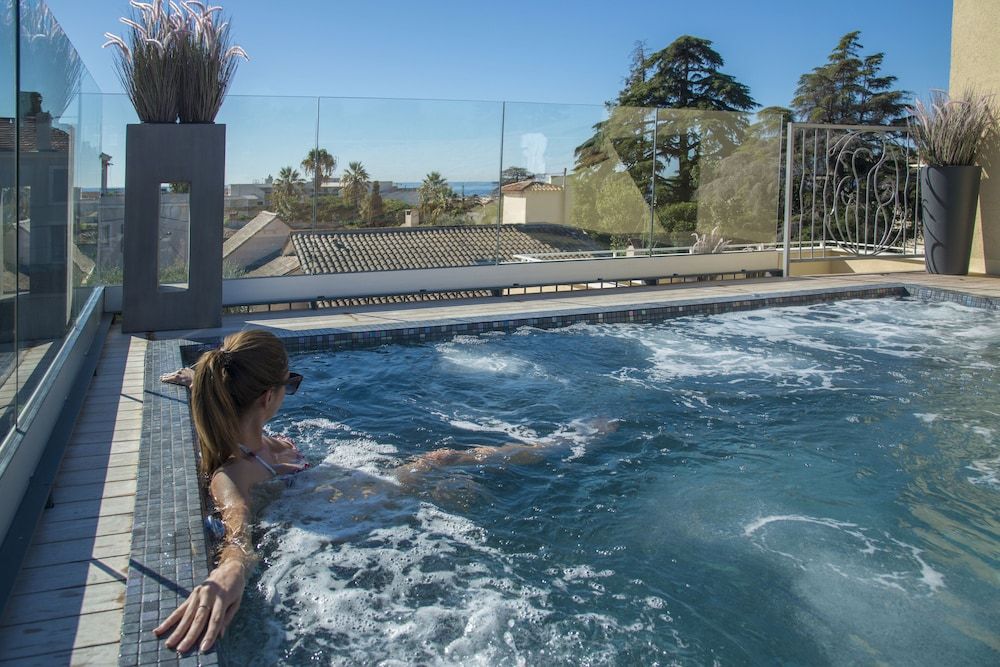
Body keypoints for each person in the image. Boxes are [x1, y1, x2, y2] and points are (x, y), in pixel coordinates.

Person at [153, 330, 307, 654]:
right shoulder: (233, 473)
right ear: (267, 398)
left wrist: (196, 380)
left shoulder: (252, 441)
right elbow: (237, 524)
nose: (289, 391)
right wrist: (232, 567)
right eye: (290, 384)